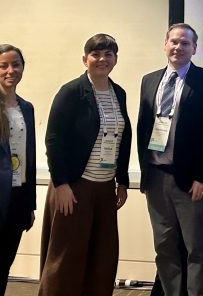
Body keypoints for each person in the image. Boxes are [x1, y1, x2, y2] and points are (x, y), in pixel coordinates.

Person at [39, 34, 131, 296]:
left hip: (105, 189)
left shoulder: (119, 93)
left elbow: (123, 137)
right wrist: (62, 184)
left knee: (102, 257)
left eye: (109, 54)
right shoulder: (71, 92)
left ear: (115, 59)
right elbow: (53, 139)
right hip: (74, 188)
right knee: (67, 258)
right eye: (96, 54)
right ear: (85, 59)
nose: (102, 59)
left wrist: (122, 182)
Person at [137, 23, 203, 296]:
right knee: (163, 247)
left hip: (191, 183)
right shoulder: (150, 80)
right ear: (165, 45)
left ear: (194, 49)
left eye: (185, 43)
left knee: (196, 248)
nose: (178, 47)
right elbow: (143, 127)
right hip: (155, 178)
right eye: (174, 42)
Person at [0, 45, 36, 296]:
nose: (10, 70)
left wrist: (30, 205)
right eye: (3, 65)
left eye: (16, 64)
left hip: (18, 197)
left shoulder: (27, 107)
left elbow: (30, 158)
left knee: (4, 265)